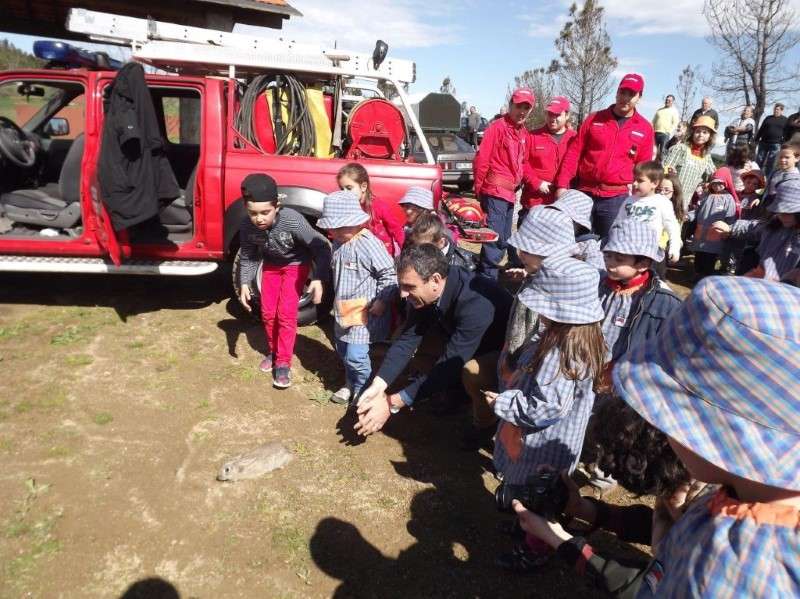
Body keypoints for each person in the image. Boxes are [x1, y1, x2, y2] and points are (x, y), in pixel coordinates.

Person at [511, 276, 800, 598]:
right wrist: (586, 510)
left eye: (666, 416)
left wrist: (561, 542)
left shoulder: (734, 569)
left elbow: (650, 589)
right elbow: (680, 533)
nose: (660, 430)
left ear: (712, 430)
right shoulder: (751, 492)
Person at [488, 255, 606, 572]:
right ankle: (525, 525)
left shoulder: (561, 351)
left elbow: (547, 406)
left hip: (544, 444)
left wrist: (501, 403)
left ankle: (536, 546)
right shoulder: (580, 337)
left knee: (540, 500)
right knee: (535, 494)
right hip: (555, 442)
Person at [353, 243, 512, 436]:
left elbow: (451, 363)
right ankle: (452, 393)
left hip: (502, 354)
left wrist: (391, 403)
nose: (402, 294)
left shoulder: (476, 304)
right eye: (401, 285)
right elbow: (407, 340)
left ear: (435, 280)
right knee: (423, 347)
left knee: (471, 372)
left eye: (409, 287)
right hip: (462, 341)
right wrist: (378, 386)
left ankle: (485, 427)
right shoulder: (432, 290)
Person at [474, 207, 580, 451]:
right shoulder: (536, 274)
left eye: (527, 250)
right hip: (514, 357)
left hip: (532, 371)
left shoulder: (561, 289)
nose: (520, 253)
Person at [237, 173, 330, 389]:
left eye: (265, 212)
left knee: (286, 314)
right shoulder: (247, 226)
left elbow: (321, 246)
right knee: (268, 313)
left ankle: (283, 363)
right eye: (253, 213)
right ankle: (274, 351)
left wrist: (318, 278)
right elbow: (249, 255)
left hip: (296, 266)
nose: (259, 219)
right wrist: (244, 282)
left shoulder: (292, 220)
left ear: (277, 205)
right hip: (271, 266)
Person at [316, 191, 397, 406]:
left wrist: (382, 300)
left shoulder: (369, 243)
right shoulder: (339, 243)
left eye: (342, 227)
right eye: (334, 228)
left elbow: (389, 274)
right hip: (343, 309)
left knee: (356, 355)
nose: (337, 232)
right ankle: (350, 382)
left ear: (355, 222)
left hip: (364, 311)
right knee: (342, 349)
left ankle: (363, 388)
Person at [555, 74, 655, 239]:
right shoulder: (594, 119)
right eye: (623, 92)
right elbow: (574, 153)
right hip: (583, 193)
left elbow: (644, 170)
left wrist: (641, 199)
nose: (625, 98)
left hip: (615, 198)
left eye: (632, 94)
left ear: (639, 97)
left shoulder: (645, 128)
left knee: (607, 247)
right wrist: (562, 185)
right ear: (617, 92)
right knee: (570, 241)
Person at [598, 220, 682, 385]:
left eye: (619, 258)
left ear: (643, 264)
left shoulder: (663, 303)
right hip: (584, 368)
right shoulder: (596, 284)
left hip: (622, 380)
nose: (610, 263)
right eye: (608, 256)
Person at [473, 88, 534, 279]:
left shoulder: (524, 133)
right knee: (495, 236)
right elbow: (482, 160)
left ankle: (487, 272)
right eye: (518, 106)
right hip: (495, 190)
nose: (522, 111)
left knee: (505, 235)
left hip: (509, 193)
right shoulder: (497, 128)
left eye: (526, 107)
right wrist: (480, 189)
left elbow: (523, 164)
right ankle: (488, 277)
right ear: (510, 106)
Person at [712, 176, 800, 281]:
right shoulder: (776, 225)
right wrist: (731, 228)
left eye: (787, 212)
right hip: (760, 283)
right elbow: (754, 227)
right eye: (779, 211)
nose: (781, 215)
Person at [613, 161, 682, 276]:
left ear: (654, 183)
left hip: (651, 252)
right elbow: (618, 222)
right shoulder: (629, 200)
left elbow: (673, 227)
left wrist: (674, 248)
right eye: (634, 179)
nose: (634, 184)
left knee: (652, 281)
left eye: (640, 181)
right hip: (628, 250)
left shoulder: (662, 202)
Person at [520, 96, 576, 212]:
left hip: (564, 206)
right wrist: (536, 183)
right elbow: (522, 163)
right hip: (534, 203)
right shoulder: (533, 137)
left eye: (557, 115)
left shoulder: (575, 139)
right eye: (550, 114)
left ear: (567, 115)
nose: (553, 118)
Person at [337, 163, 406, 257]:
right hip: (362, 255)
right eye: (342, 189)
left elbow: (396, 229)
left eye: (349, 188)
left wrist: (405, 253)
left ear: (363, 187)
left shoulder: (379, 206)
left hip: (383, 255)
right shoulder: (347, 207)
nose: (345, 193)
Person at [663, 116, 717, 214]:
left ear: (710, 136)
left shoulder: (706, 156)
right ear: (692, 133)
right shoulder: (680, 149)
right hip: (669, 197)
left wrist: (710, 183)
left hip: (685, 201)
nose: (701, 135)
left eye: (705, 132)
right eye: (698, 131)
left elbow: (714, 174)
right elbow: (664, 169)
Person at [691, 169, 737, 279]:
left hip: (715, 236)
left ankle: (706, 277)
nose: (717, 186)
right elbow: (697, 210)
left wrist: (728, 229)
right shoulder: (706, 196)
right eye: (714, 183)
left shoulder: (728, 199)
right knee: (699, 256)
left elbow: (730, 216)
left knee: (710, 258)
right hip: (701, 234)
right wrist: (689, 216)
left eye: (720, 183)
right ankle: (697, 274)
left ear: (725, 184)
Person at [549, 190, 605, 271]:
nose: (560, 220)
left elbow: (596, 269)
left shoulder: (587, 245)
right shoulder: (548, 235)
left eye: (566, 218)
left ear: (579, 224)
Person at [406, 212, 476, 272]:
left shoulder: (465, 263)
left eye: (426, 247)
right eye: (416, 246)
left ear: (441, 242)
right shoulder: (411, 252)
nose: (420, 251)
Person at [755, 103, 787, 177]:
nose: (776, 111)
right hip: (764, 142)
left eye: (778, 109)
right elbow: (761, 129)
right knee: (759, 160)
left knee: (771, 162)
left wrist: (783, 142)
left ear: (782, 111)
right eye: (775, 109)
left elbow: (786, 132)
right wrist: (756, 139)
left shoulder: (785, 120)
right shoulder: (768, 118)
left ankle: (767, 178)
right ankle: (756, 175)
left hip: (776, 144)